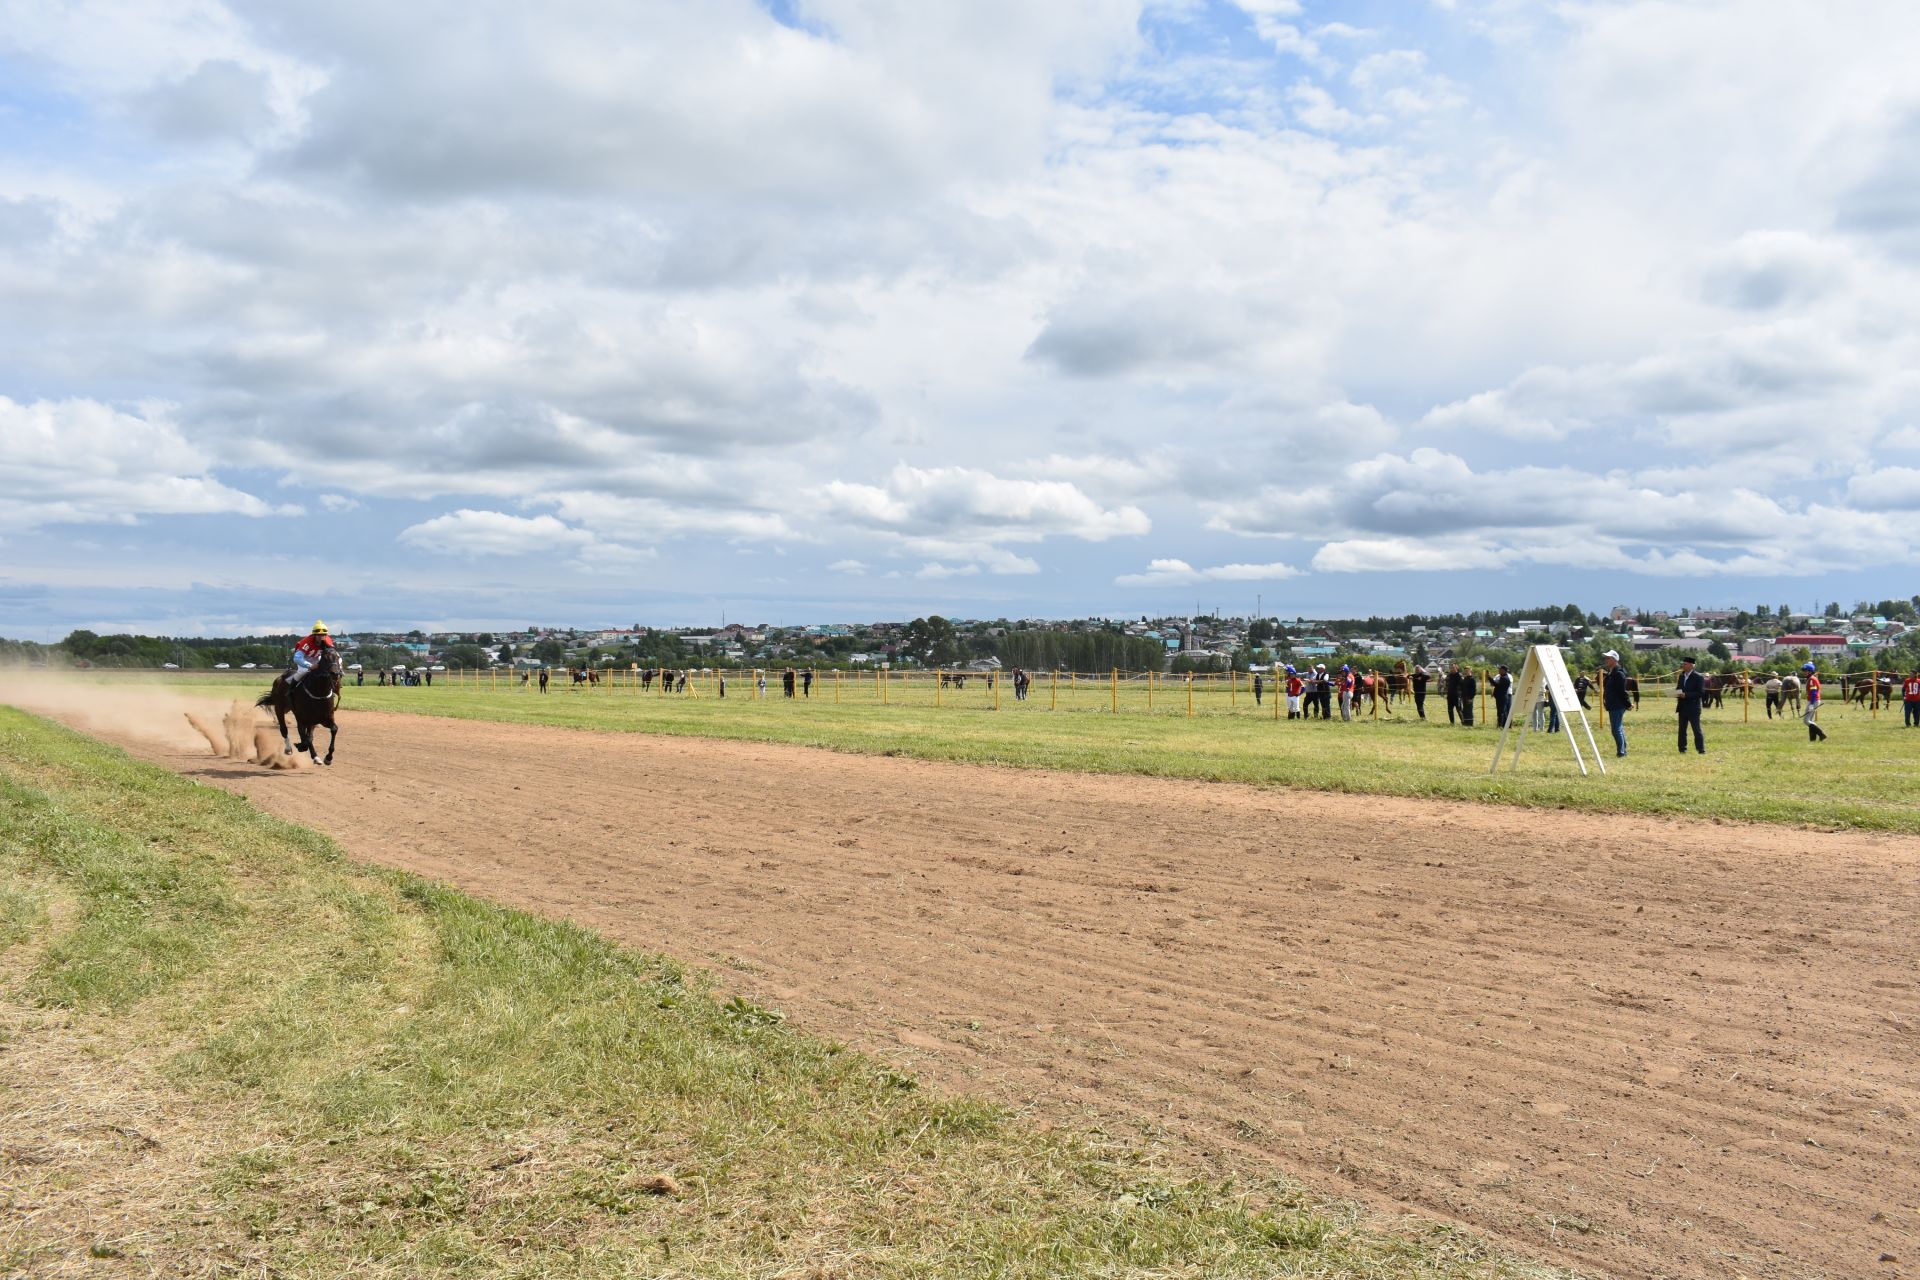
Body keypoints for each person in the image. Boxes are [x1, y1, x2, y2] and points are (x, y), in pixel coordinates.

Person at [286, 621, 335, 687]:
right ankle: (290, 689)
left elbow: (332, 654)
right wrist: (309, 666)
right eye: (318, 635)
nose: (321, 637)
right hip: (304, 658)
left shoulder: (328, 641)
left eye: (323, 635)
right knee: (303, 671)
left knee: (327, 671)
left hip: (317, 657)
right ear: (314, 635)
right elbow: (297, 658)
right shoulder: (307, 642)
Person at [1675, 655, 1706, 754]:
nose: (1683, 666)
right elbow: (1678, 688)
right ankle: (1682, 749)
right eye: (1683, 664)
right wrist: (1676, 693)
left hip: (1693, 707)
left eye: (1685, 664)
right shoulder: (1681, 676)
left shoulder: (1698, 677)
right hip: (1682, 707)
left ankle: (1701, 749)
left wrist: (1686, 695)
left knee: (1696, 730)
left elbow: (1700, 692)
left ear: (1691, 665)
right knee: (1682, 730)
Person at [1602, 649, 1630, 757]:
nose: (1606, 660)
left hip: (1617, 705)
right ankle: (1623, 750)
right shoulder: (1611, 673)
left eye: (1608, 658)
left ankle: (1621, 752)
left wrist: (1628, 704)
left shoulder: (1618, 674)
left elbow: (1622, 691)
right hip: (1612, 705)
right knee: (1619, 728)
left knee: (1616, 729)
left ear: (1614, 660)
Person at [1802, 662, 1828, 742]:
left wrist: (1811, 704)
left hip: (1813, 701)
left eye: (1805, 671)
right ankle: (1812, 739)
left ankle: (1821, 734)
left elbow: (1814, 692)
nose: (1804, 672)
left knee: (1806, 720)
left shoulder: (1811, 680)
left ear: (1810, 671)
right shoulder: (1811, 679)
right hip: (1814, 701)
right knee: (1810, 720)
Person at [1492, 664, 1513, 728]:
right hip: (1499, 694)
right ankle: (1501, 724)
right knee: (1501, 710)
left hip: (1508, 694)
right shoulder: (1498, 675)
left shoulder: (1509, 676)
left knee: (1507, 710)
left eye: (1500, 669)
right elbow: (1494, 683)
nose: (1499, 670)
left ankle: (1508, 725)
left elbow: (1505, 684)